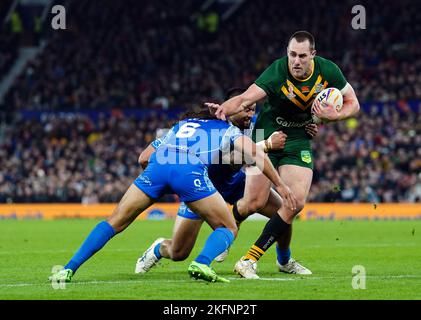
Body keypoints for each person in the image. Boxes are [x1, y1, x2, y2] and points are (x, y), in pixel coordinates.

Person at [49, 106, 297, 284]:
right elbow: (256, 155)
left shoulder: (178, 127)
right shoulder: (227, 130)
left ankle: (68, 269)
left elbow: (143, 158)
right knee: (228, 227)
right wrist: (282, 186)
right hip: (189, 173)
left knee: (114, 221)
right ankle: (202, 262)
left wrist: (159, 182)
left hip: (159, 166)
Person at [208, 30, 360, 279]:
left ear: (313, 54)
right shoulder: (277, 71)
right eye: (292, 55)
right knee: (253, 203)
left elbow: (353, 103)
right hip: (266, 133)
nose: (296, 61)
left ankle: (250, 259)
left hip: (298, 138)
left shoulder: (328, 71)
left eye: (302, 55)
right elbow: (246, 98)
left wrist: (336, 115)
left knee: (295, 202)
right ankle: (225, 232)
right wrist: (223, 109)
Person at [134, 88, 318, 274]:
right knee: (179, 252)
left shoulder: (256, 127)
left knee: (284, 211)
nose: (250, 114)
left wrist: (305, 129)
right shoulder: (215, 125)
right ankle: (158, 249)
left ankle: (284, 261)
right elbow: (229, 159)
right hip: (202, 187)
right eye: (246, 109)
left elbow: (280, 134)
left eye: (253, 109)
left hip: (235, 183)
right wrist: (266, 145)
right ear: (233, 107)